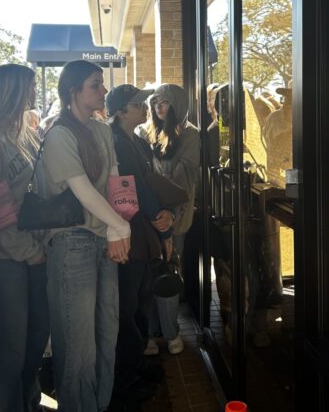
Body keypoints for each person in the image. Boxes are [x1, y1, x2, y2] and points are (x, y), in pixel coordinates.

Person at [35, 60, 131, 412]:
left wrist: (123, 222)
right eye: (95, 84)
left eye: (102, 84)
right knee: (77, 343)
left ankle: (100, 404)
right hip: (72, 241)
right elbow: (82, 191)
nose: (103, 90)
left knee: (108, 331)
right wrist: (120, 227)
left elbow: (115, 180)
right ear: (73, 89)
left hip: (105, 236)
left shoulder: (103, 130)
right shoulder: (59, 134)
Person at [0, 64, 48, 412]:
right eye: (30, 87)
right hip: (6, 259)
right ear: (13, 91)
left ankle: (30, 402)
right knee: (10, 350)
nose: (34, 93)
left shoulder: (25, 135)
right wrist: (28, 251)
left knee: (35, 340)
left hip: (33, 253)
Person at [106, 85, 173, 401]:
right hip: (129, 233)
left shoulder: (135, 139)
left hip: (142, 231)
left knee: (141, 296)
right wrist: (160, 220)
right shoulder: (116, 142)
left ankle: (136, 364)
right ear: (120, 110)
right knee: (128, 305)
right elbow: (131, 189)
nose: (145, 108)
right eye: (137, 104)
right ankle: (127, 375)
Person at [140, 84, 200, 356]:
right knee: (148, 274)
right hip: (148, 214)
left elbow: (185, 177)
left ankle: (171, 332)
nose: (159, 107)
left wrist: (168, 207)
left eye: (165, 102)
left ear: (178, 104)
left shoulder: (190, 135)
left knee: (169, 271)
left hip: (176, 214)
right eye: (156, 102)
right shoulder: (146, 133)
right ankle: (151, 331)